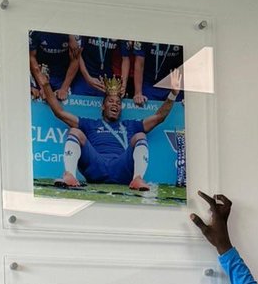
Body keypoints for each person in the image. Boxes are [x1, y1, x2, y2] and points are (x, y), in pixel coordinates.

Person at [35, 66, 181, 193]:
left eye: (118, 102)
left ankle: (137, 179)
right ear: (103, 106)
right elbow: (59, 113)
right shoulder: (90, 124)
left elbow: (159, 117)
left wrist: (173, 94)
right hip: (96, 167)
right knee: (75, 132)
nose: (115, 104)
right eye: (110, 101)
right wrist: (46, 86)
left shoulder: (131, 125)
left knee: (140, 135)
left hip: (121, 169)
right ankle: (69, 176)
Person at [120, 39, 185, 106]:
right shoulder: (145, 35)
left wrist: (188, 95)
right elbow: (139, 63)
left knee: (178, 108)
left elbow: (187, 62)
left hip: (171, 84)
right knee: (143, 107)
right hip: (148, 83)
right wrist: (138, 93)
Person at [28, 31, 77, 101]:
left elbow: (76, 60)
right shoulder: (35, 32)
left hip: (62, 76)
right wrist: (42, 86)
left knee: (65, 100)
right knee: (37, 97)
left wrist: (64, 88)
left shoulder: (73, 36)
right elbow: (31, 57)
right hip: (41, 74)